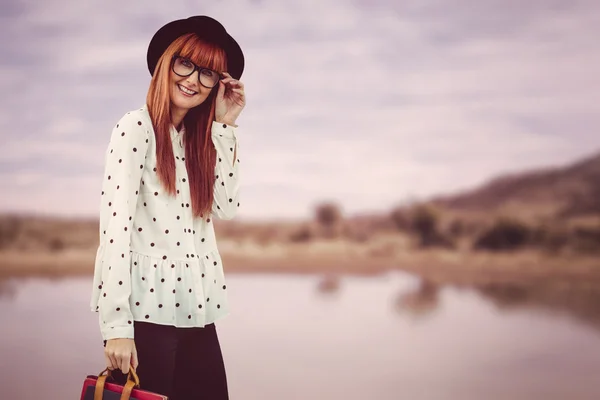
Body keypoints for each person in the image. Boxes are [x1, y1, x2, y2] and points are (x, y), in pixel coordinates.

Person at [89, 15, 246, 400]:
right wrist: (117, 327)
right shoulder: (134, 128)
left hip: (197, 309)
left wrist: (225, 126)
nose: (193, 80)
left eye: (208, 73)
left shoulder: (200, 141)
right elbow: (115, 229)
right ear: (166, 63)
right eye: (186, 63)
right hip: (146, 315)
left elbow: (226, 207)